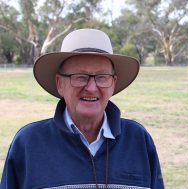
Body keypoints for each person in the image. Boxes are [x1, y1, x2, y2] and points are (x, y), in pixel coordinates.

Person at [0, 29, 164, 189]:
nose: (92, 88)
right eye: (80, 77)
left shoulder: (138, 140)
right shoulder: (29, 144)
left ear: (113, 83)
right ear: (59, 84)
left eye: (101, 77)